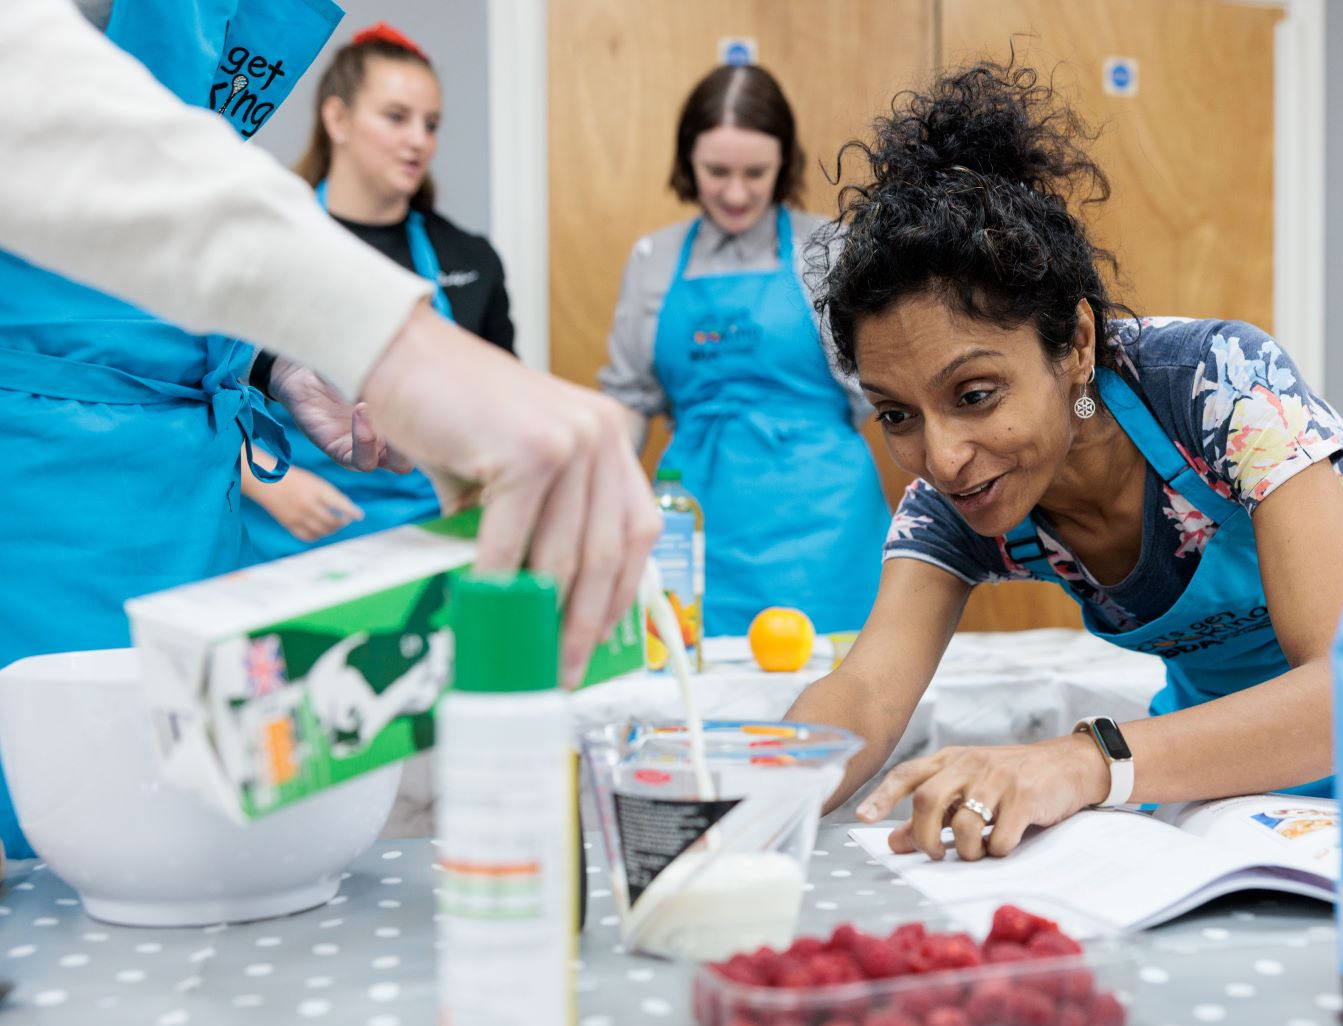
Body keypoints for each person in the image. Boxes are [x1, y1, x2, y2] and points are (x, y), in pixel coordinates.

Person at [0, 0, 657, 859]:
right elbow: (46, 110)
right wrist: (394, 341)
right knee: (61, 824)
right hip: (49, 491)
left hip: (191, 502)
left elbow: (145, 233)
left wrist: (269, 361)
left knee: (182, 823)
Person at [784, 62, 1343, 860]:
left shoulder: (1216, 383)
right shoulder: (950, 503)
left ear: (1073, 345)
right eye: (896, 414)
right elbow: (866, 691)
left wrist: (1086, 761)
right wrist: (741, 796)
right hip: (1242, 778)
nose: (941, 457)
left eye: (973, 394)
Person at [599, 64, 890, 635]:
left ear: (784, 162)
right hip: (693, 527)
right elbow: (628, 400)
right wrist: (604, 500)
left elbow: (886, 387)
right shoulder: (653, 260)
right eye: (716, 171)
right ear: (688, 163)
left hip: (825, 528)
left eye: (755, 172)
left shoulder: (830, 250)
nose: (736, 192)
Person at [241, 22, 517, 559]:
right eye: (397, 117)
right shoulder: (263, 245)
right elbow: (195, 397)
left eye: (431, 124)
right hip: (288, 543)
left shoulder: (468, 260)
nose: (419, 140)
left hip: (427, 543)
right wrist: (272, 483)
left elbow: (499, 410)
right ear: (337, 118)